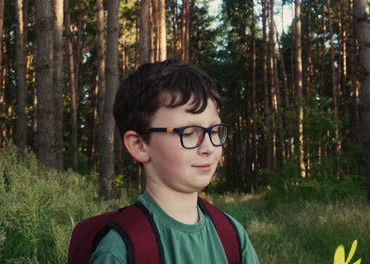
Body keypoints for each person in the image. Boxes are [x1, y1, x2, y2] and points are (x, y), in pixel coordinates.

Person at [90, 59, 259, 263]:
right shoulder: (120, 251)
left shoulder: (232, 235)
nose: (208, 147)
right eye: (188, 132)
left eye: (214, 131)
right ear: (139, 145)